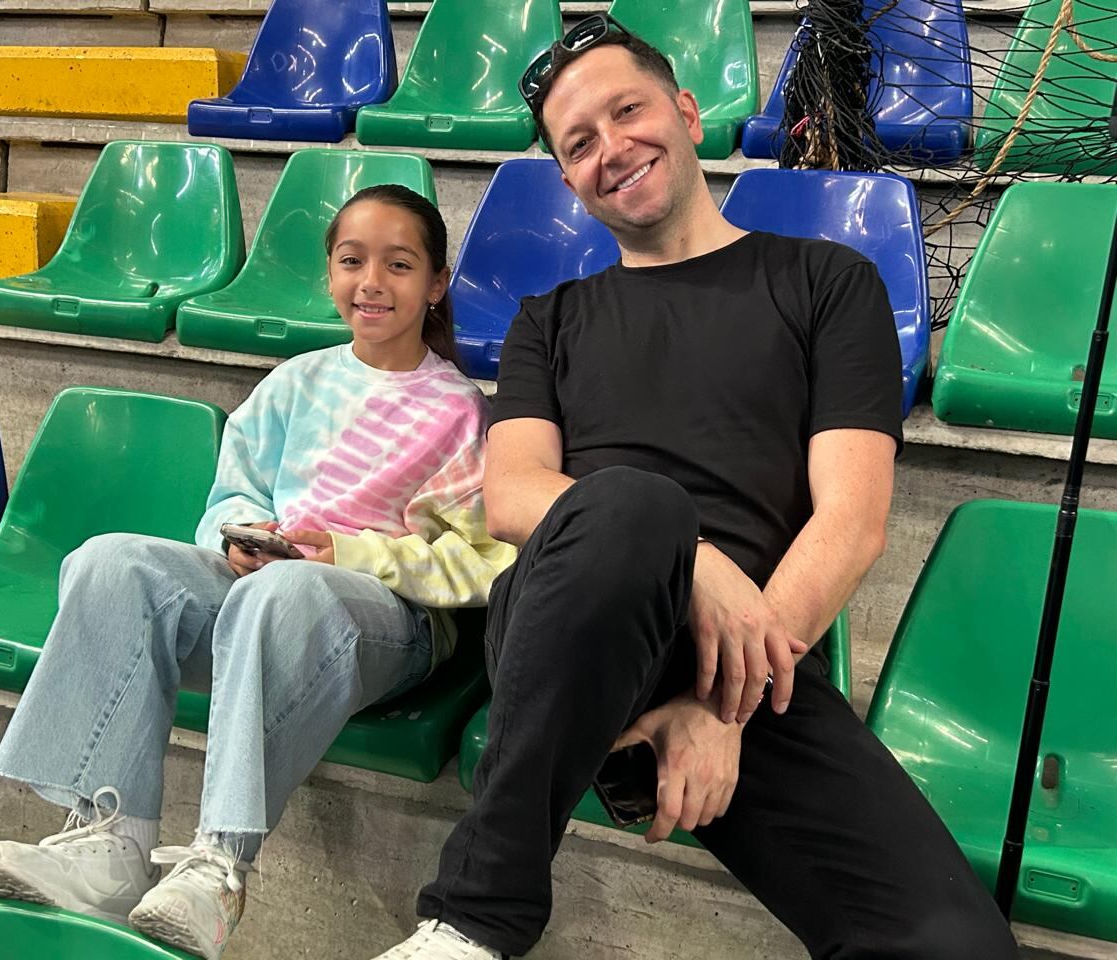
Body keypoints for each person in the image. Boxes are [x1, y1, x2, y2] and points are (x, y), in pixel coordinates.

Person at [371, 17, 1020, 960]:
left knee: (956, 944)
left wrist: (724, 712)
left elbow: (852, 521)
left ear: (684, 110)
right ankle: (473, 921)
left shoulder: (827, 283)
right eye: (578, 144)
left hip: (752, 659)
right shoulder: (548, 320)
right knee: (636, 504)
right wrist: (694, 560)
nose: (610, 149)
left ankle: (631, 756)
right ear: (568, 182)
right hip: (571, 630)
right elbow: (512, 497)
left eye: (626, 112)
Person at [0, 184, 516, 960]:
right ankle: (109, 838)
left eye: (398, 265)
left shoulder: (461, 411)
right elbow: (235, 492)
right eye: (352, 261)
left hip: (391, 625)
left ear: (435, 285)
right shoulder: (297, 381)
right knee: (110, 561)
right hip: (268, 594)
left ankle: (219, 867)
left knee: (288, 590)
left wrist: (349, 554)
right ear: (329, 274)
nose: (371, 282)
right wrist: (241, 537)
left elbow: (480, 562)